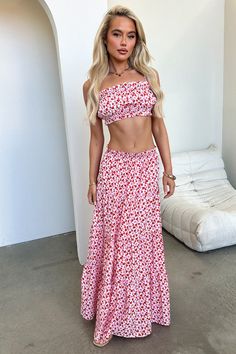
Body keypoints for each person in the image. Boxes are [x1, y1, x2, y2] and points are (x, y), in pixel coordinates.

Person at [80, 5, 176, 347]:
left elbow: (159, 128)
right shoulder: (93, 85)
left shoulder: (149, 77)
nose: (124, 42)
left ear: (137, 42)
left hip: (145, 167)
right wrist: (92, 179)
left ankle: (142, 310)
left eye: (130, 36)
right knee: (116, 244)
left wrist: (169, 171)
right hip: (116, 170)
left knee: (141, 243)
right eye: (117, 34)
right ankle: (109, 316)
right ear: (106, 39)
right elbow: (96, 139)